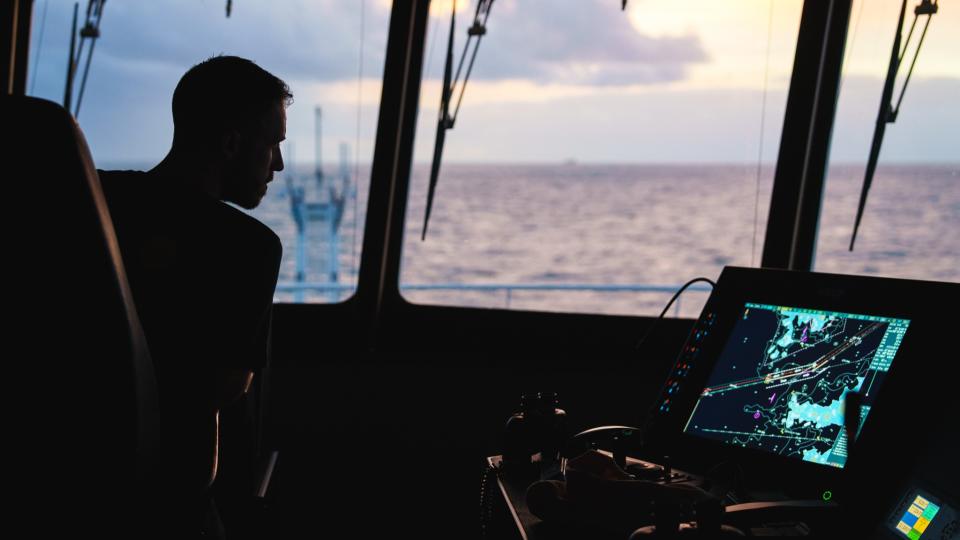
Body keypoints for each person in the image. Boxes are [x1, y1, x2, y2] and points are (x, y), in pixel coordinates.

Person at [98, 55, 290, 537]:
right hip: (171, 507)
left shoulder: (98, 200)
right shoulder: (251, 248)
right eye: (272, 146)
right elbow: (222, 389)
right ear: (231, 145)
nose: (279, 165)